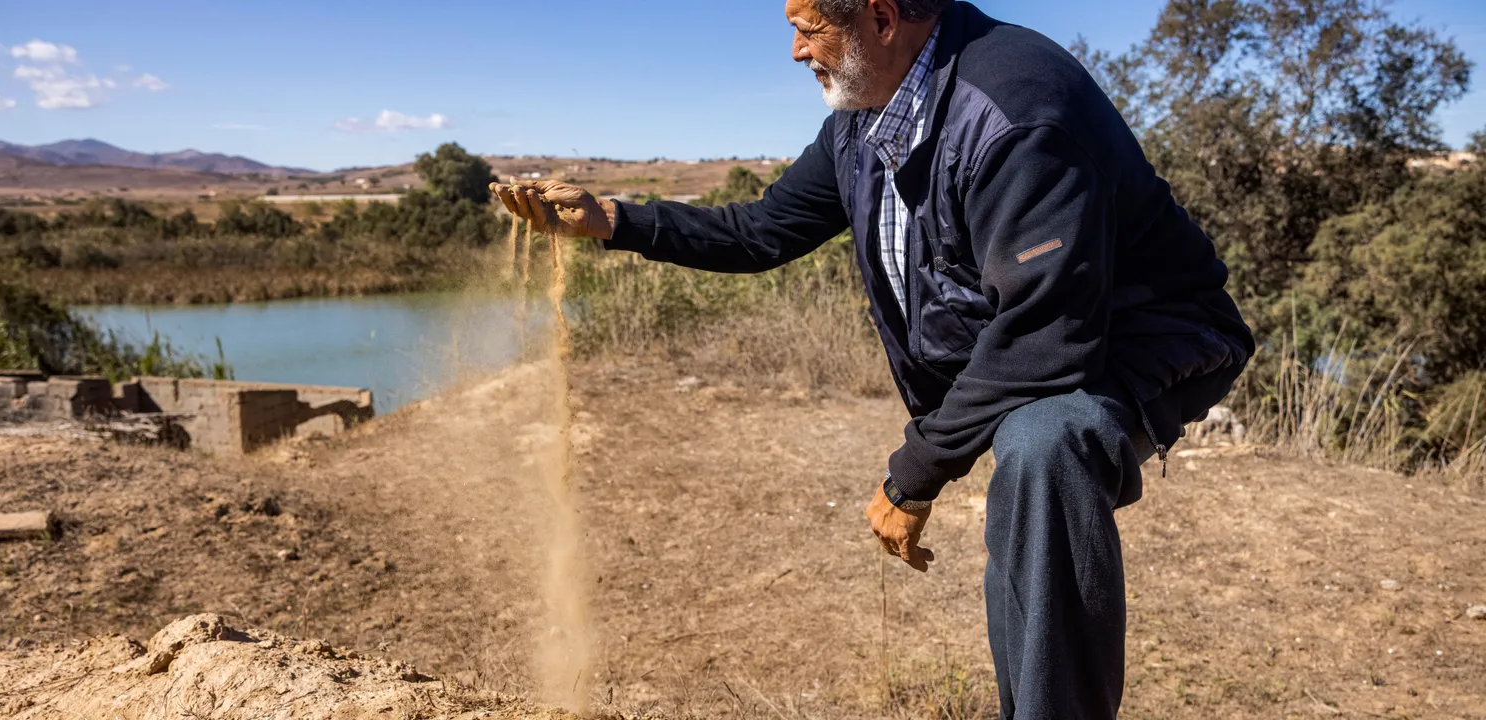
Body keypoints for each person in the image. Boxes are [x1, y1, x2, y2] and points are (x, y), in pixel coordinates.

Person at [490, 1, 1254, 717]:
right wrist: (612, 219)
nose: (794, 51)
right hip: (1038, 338)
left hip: (1146, 332)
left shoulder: (1018, 113)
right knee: (1026, 473)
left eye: (808, 27)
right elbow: (761, 232)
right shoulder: (866, 117)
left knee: (1043, 447)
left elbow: (1046, 332)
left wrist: (914, 474)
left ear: (882, 17)